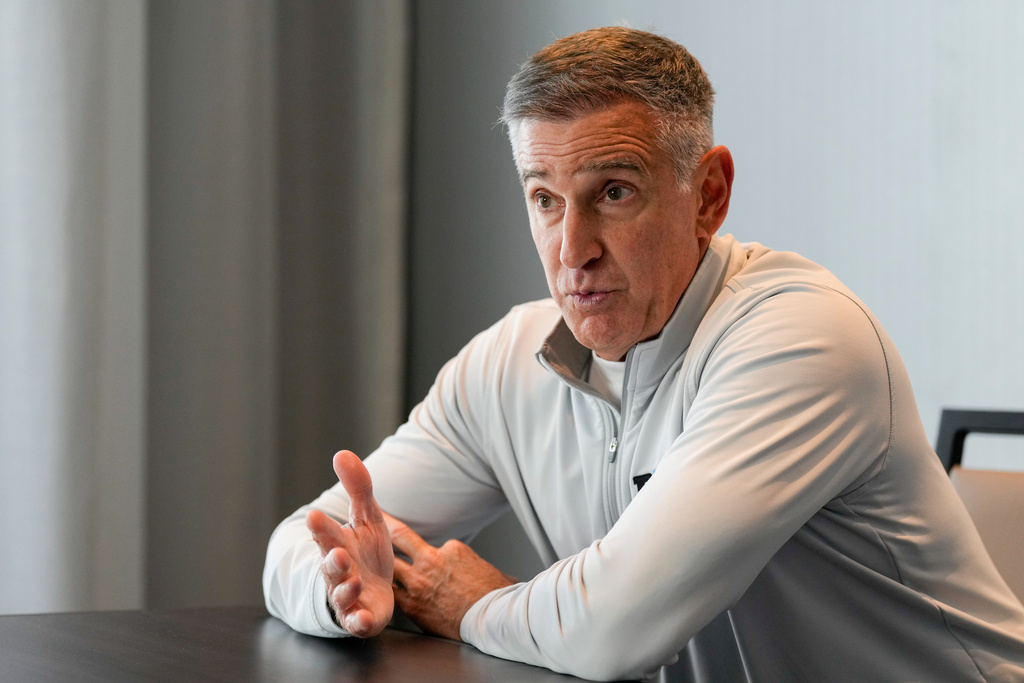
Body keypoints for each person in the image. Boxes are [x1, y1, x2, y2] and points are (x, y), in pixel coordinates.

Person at [264, 27, 1024, 682]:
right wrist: (340, 592)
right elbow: (304, 537)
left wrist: (462, 602)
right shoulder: (506, 362)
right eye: (544, 198)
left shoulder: (804, 337)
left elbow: (613, 627)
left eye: (614, 192)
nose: (573, 250)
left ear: (709, 195)